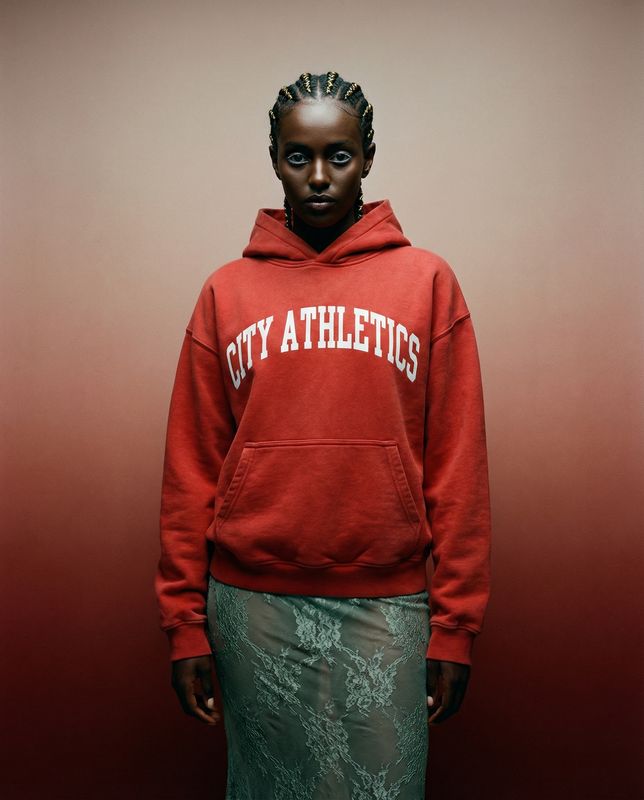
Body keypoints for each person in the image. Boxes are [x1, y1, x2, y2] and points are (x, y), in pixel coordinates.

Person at [154, 70, 492, 799]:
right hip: (251, 603)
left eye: (338, 155)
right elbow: (191, 469)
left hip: (388, 602)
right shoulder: (225, 293)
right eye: (297, 156)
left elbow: (458, 466)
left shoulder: (428, 283)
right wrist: (184, 623)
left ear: (367, 157)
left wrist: (456, 625)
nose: (317, 176)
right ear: (274, 160)